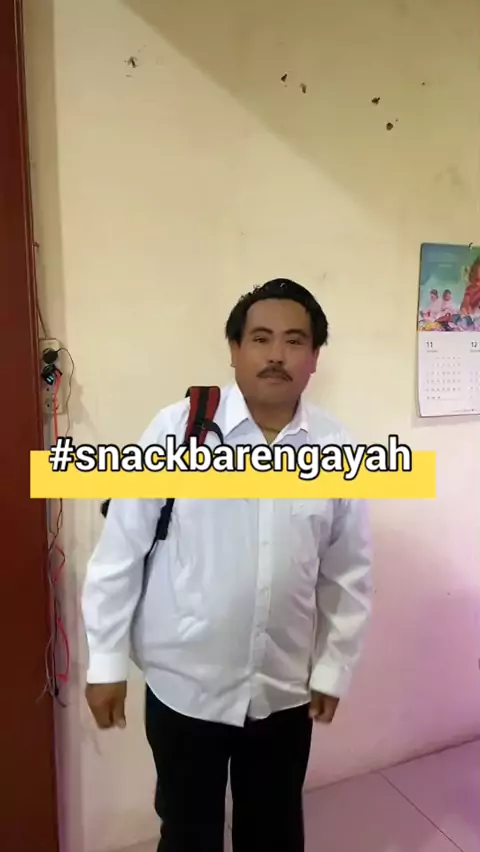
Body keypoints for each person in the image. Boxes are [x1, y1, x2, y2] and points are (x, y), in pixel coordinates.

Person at [82, 278, 372, 852]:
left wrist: (334, 666)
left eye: (295, 341)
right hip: (185, 687)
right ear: (234, 350)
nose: (276, 354)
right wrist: (106, 661)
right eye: (260, 339)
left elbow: (348, 571)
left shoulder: (337, 447)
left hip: (282, 690)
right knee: (188, 832)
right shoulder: (176, 429)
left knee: (274, 831)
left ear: (315, 357)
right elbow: (121, 549)